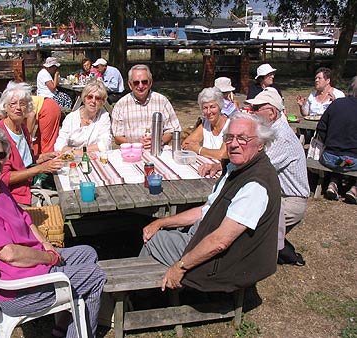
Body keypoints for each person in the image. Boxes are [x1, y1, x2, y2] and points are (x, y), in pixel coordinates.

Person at [0, 125, 106, 338]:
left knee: (88, 252)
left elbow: (25, 218)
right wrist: (48, 258)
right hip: (18, 289)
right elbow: (10, 254)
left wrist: (46, 244)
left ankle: (62, 328)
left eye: (0, 154)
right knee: (94, 275)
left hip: (31, 266)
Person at [140, 113, 281, 292]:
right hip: (205, 238)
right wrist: (161, 222)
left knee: (153, 239)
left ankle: (141, 296)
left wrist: (180, 266)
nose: (234, 144)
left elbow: (220, 242)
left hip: (224, 265)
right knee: (158, 231)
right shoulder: (236, 169)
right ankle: (148, 294)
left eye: (243, 138)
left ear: (261, 144)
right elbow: (206, 210)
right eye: (229, 137)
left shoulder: (256, 184)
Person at [245, 88, 309, 265]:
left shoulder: (281, 138)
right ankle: (280, 248)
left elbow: (257, 167)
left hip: (289, 201)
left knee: (244, 221)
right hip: (279, 196)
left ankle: (280, 252)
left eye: (257, 108)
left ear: (272, 112)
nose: (252, 112)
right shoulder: (272, 130)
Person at [0, 82, 63, 206]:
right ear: (5, 107)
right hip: (16, 193)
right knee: (63, 202)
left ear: (27, 107)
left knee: (67, 185)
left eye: (22, 103)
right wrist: (42, 168)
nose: (18, 107)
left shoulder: (23, 128)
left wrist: (48, 156)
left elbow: (28, 161)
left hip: (32, 182)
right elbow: (4, 177)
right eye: (13, 104)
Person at [111, 64, 181, 149]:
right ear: (130, 85)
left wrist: (158, 141)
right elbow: (117, 137)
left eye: (144, 82)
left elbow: (173, 130)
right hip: (132, 151)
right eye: (136, 82)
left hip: (158, 150)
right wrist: (136, 144)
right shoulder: (120, 105)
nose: (140, 86)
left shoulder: (162, 101)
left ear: (150, 83)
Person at [316, 76, 357, 204]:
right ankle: (355, 189)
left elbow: (320, 129)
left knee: (340, 158)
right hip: (352, 160)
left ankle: (332, 183)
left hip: (329, 157)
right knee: (346, 159)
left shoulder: (337, 103)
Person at [54, 81, 111, 156]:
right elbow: (59, 145)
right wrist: (76, 152)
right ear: (84, 99)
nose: (93, 101)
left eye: (97, 98)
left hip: (94, 158)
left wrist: (81, 151)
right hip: (72, 158)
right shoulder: (71, 118)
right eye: (90, 97)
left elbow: (105, 144)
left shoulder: (104, 116)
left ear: (102, 102)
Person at [181, 87, 229, 160]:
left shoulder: (230, 126)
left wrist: (199, 149)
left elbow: (222, 155)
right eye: (205, 108)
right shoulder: (206, 124)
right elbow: (186, 144)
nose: (209, 112)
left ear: (220, 107)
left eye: (212, 107)